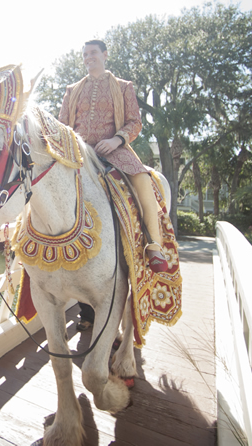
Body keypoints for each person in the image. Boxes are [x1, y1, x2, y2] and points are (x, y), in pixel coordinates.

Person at [58, 39, 171, 331]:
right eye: (84, 55)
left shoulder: (123, 86)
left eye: (93, 53)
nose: (88, 58)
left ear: (105, 56)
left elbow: (135, 122)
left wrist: (116, 140)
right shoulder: (72, 90)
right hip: (79, 153)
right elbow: (61, 126)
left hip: (114, 149)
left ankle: (154, 246)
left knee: (143, 178)